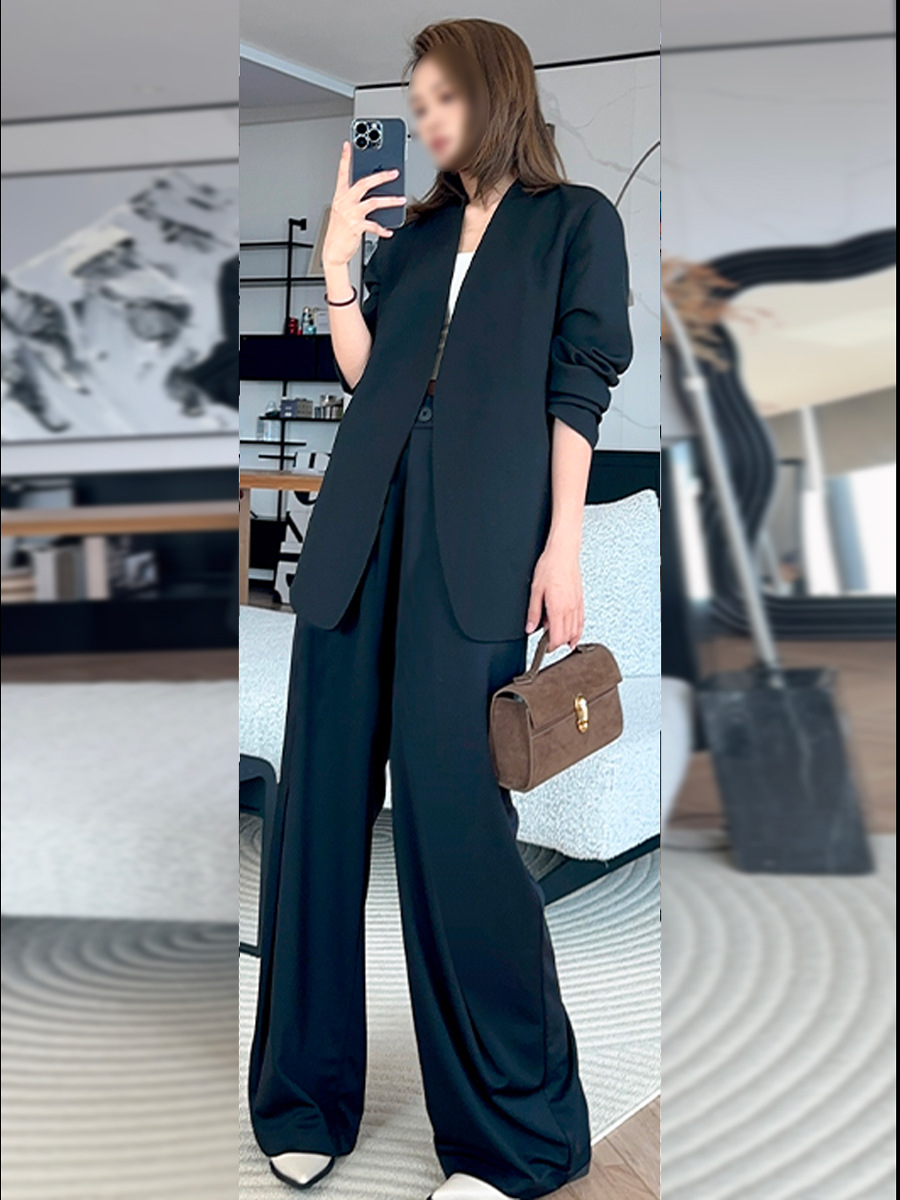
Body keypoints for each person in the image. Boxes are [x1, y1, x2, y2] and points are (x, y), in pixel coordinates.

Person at [248, 17, 634, 1200]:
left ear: (494, 90)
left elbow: (579, 387)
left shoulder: (576, 224)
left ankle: (515, 1137)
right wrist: (335, 272)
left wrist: (562, 544)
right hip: (355, 532)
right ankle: (305, 1097)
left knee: (456, 827)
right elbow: (370, 377)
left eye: (439, 99)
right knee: (317, 815)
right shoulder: (411, 237)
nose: (423, 121)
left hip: (477, 548)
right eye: (415, 104)